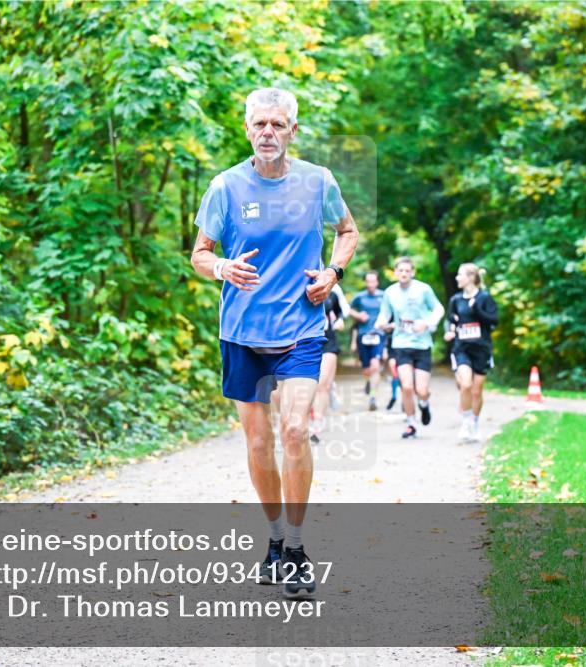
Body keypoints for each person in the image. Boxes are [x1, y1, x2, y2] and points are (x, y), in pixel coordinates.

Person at [190, 87, 358, 599]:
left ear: (292, 131)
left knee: (293, 430)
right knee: (258, 441)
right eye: (259, 124)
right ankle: (275, 537)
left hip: (301, 329)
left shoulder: (318, 182)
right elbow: (199, 252)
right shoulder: (224, 186)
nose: (268, 132)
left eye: (278, 124)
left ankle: (298, 548)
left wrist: (333, 272)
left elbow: (347, 231)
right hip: (241, 332)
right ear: (247, 129)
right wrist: (221, 267)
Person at [374, 257, 445, 439]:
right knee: (406, 387)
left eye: (407, 271)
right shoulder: (390, 292)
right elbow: (385, 313)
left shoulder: (423, 289)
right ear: (396, 272)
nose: (404, 274)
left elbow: (438, 309)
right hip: (401, 344)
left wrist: (427, 323)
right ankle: (411, 423)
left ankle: (424, 403)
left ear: (412, 272)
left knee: (421, 389)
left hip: (422, 345)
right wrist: (381, 322)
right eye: (400, 271)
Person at [444, 262, 499, 442]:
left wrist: (477, 310)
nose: (457, 278)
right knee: (466, 385)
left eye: (460, 275)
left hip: (481, 349)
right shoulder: (456, 300)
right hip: (462, 348)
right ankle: (466, 422)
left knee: (477, 391)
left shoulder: (484, 298)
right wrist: (450, 330)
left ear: (471, 278)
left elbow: (494, 321)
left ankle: (475, 422)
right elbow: (452, 319)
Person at [310, 286, 346, 444]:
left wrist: (339, 321)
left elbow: (341, 312)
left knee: (321, 384)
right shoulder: (294, 283)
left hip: (328, 340)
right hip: (305, 341)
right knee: (309, 385)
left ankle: (317, 426)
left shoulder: (331, 288)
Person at [349, 270, 385, 411]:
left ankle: (373, 397)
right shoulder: (359, 297)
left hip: (378, 334)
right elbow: (348, 310)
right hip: (362, 335)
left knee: (375, 365)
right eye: (368, 281)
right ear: (365, 282)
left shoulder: (384, 296)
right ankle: (369, 382)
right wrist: (358, 315)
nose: (370, 284)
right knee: (367, 369)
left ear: (377, 282)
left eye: (373, 281)